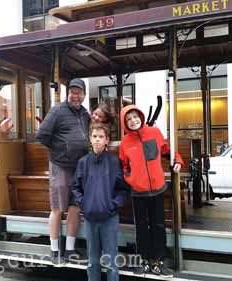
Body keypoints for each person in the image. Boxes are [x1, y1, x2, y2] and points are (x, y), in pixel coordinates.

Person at [118, 105, 183, 277]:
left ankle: (159, 262)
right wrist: (131, 180)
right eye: (128, 119)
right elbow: (124, 166)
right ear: (125, 123)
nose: (133, 121)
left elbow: (168, 151)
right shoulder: (125, 143)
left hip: (157, 190)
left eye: (135, 116)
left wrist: (177, 160)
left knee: (158, 226)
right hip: (138, 193)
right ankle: (144, 261)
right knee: (141, 227)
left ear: (141, 116)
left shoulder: (154, 132)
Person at [36, 78, 90, 264]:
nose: (76, 95)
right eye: (73, 92)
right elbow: (41, 135)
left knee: (75, 207)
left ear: (84, 94)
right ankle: (54, 251)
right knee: (58, 208)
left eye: (79, 92)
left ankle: (69, 250)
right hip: (60, 166)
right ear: (68, 93)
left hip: (79, 167)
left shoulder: (85, 114)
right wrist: (60, 148)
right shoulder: (57, 110)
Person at [72, 123, 128, 281]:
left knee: (111, 262)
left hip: (109, 218)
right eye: (94, 136)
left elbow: (123, 189)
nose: (97, 140)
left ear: (107, 140)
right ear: (90, 139)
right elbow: (76, 187)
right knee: (92, 262)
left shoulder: (114, 162)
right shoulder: (83, 162)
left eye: (101, 137)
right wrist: (84, 204)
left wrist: (113, 205)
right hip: (90, 219)